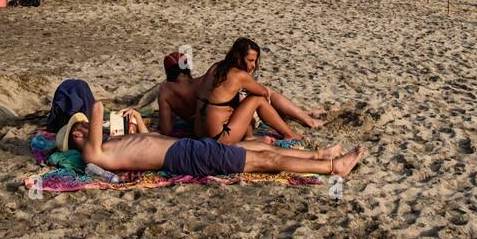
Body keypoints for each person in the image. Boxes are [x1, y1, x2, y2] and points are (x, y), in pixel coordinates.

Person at [60, 101, 361, 180]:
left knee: (253, 150)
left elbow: (147, 142)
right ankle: (334, 167)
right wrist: (88, 117)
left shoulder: (107, 147)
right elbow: (97, 108)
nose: (83, 128)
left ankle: (319, 155)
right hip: (185, 157)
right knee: (264, 161)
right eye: (79, 128)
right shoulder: (92, 153)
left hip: (184, 150)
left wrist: (135, 119)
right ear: (76, 137)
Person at [192, 38, 326, 143]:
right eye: (250, 60)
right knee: (257, 99)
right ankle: (290, 134)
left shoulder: (216, 67)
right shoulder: (240, 75)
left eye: (254, 61)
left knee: (241, 100)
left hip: (198, 133)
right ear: (238, 57)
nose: (253, 65)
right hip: (218, 138)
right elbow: (264, 92)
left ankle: (300, 118)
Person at [157, 51, 201, 135]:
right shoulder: (202, 82)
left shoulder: (165, 91)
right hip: (207, 128)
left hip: (192, 132)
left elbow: (166, 130)